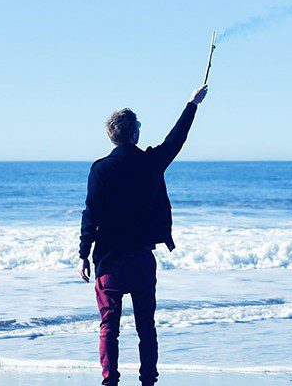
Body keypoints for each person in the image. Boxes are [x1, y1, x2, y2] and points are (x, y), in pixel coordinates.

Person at [78, 84, 208, 385]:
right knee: (146, 327)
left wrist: (83, 254)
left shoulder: (100, 169)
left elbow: (90, 214)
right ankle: (148, 380)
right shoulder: (150, 163)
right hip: (140, 261)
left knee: (109, 327)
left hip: (109, 262)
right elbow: (177, 139)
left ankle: (110, 381)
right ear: (133, 134)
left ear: (112, 135)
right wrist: (192, 104)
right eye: (138, 126)